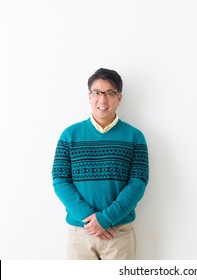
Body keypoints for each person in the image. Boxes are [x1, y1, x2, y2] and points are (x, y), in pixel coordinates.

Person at [52, 68, 149, 260]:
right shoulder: (69, 135)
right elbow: (60, 181)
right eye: (97, 93)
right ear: (89, 96)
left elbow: (138, 182)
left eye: (110, 93)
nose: (102, 100)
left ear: (119, 98)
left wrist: (106, 219)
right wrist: (91, 220)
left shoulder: (135, 137)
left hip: (118, 233)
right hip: (79, 233)